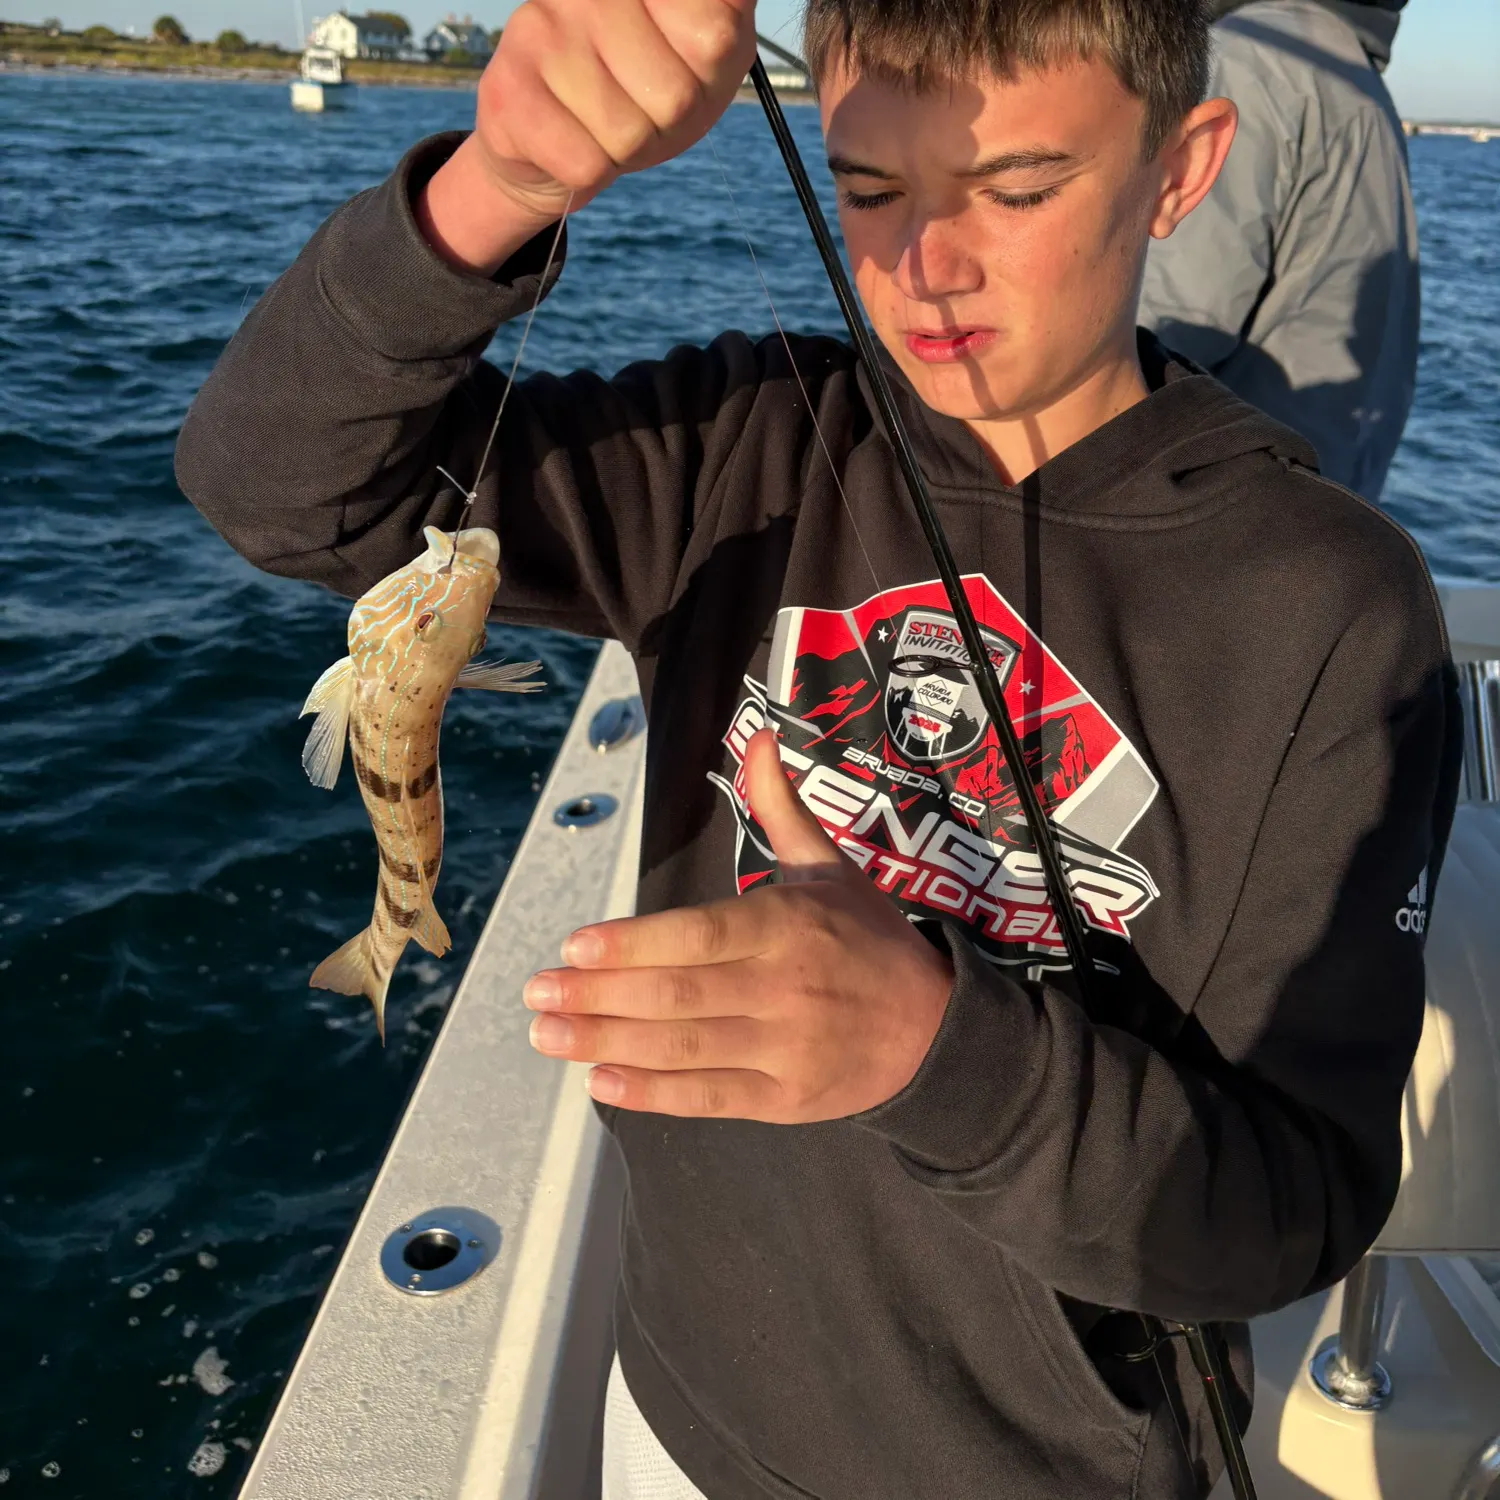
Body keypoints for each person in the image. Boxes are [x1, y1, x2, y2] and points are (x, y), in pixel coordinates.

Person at [176, 0, 1462, 1494]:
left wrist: (935, 1047)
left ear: (1180, 168)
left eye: (1018, 189)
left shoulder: (1330, 609)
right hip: (678, 1407)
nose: (926, 264)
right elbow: (271, 485)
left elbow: (1289, 1211)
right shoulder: (744, 446)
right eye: (868, 188)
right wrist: (497, 187)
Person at [1138, 0, 1417, 500]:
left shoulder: (1250, 58)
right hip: (1320, 505)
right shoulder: (1350, 70)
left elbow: (1176, 320)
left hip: (1231, 507)